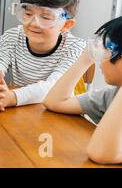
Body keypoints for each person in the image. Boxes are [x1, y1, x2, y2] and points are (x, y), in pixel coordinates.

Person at [0, 0, 86, 110]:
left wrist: (12, 97)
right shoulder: (13, 36)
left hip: (57, 113)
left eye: (46, 17)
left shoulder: (75, 47)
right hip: (19, 110)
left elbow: (54, 86)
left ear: (66, 25)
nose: (33, 23)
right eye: (28, 14)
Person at [44, 16, 122, 164]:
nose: (100, 60)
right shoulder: (113, 95)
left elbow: (100, 153)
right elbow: (55, 102)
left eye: (106, 51)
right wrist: (86, 57)